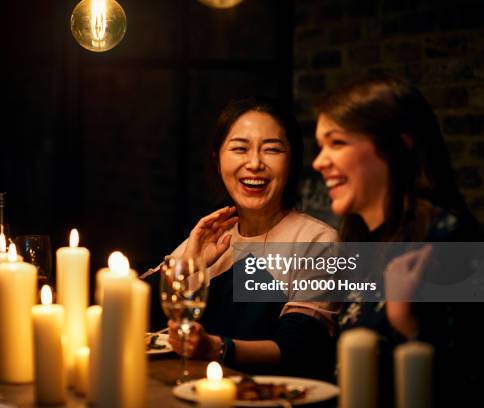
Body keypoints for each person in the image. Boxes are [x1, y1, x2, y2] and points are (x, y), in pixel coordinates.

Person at [312, 74, 483, 405]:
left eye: (337, 143)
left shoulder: (448, 241)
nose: (320, 162)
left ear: (396, 145)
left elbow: (468, 380)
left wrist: (405, 321)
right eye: (321, 147)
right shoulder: (363, 242)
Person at [143, 97, 338, 380]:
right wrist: (188, 264)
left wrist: (216, 348)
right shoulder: (213, 235)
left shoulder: (318, 241)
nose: (255, 163)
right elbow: (135, 316)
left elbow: (297, 348)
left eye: (271, 149)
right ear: (217, 158)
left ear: (292, 159)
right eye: (239, 149)